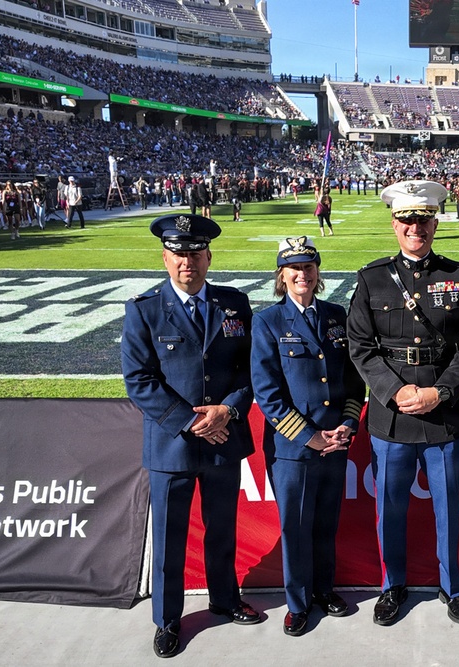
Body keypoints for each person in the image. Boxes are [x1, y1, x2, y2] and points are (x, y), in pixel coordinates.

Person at [347, 179, 459, 627]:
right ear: (394, 224)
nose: (415, 227)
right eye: (407, 220)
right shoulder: (371, 279)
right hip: (392, 415)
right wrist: (395, 392)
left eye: (423, 219)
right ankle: (392, 586)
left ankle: (453, 589)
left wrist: (439, 391)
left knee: (450, 510)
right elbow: (361, 347)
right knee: (390, 509)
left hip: (443, 413)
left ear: (435, 223)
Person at [121, 214, 261, 658]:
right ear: (165, 258)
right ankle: (166, 620)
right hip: (172, 444)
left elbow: (251, 369)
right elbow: (139, 379)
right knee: (169, 537)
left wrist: (228, 410)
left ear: (209, 257)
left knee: (222, 529)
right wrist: (190, 421)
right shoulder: (143, 309)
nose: (188, 263)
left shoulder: (235, 304)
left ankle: (224, 598)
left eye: (195, 254)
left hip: (224, 437)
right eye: (179, 255)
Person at [251, 236, 365, 637]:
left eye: (309, 267)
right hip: (293, 450)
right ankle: (298, 603)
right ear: (282, 275)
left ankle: (323, 590)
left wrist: (348, 424)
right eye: (294, 268)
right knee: (296, 527)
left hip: (336, 442)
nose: (303, 274)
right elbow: (267, 394)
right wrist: (309, 437)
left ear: (318, 272)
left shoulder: (337, 315)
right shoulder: (266, 321)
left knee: (325, 524)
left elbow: (354, 381)